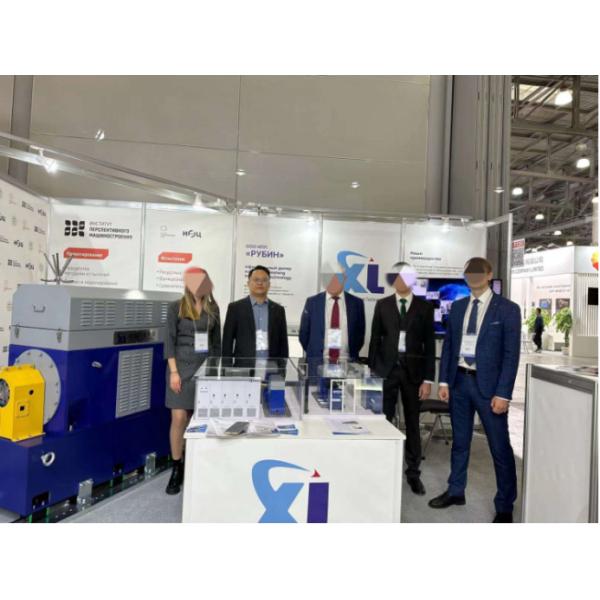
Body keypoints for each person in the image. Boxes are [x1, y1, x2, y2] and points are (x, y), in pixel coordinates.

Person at [428, 257, 521, 523]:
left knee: (499, 447)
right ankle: (456, 491)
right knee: (460, 442)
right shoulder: (458, 307)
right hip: (459, 383)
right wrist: (444, 382)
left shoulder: (507, 309)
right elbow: (449, 347)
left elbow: (511, 354)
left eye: (479, 271)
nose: (474, 275)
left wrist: (504, 394)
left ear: (489, 274)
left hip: (490, 389)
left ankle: (504, 505)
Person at [368, 262, 435, 496]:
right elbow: (375, 340)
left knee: (413, 423)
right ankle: (382, 466)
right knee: (383, 421)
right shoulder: (383, 305)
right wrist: (373, 372)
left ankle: (413, 473)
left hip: (413, 374)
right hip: (386, 372)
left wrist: (428, 379)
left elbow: (429, 345)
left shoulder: (425, 308)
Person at [164, 267, 221, 495]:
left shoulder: (213, 308)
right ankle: (176, 466)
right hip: (180, 367)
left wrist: (216, 372)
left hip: (205, 368)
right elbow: (169, 341)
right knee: (179, 417)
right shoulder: (176, 307)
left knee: (198, 419)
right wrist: (173, 372)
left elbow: (217, 343)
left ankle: (193, 462)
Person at [222, 265, 289, 365]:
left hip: (271, 368)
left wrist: (283, 369)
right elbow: (227, 343)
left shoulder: (278, 310)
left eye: (264, 280)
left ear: (269, 284)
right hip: (243, 368)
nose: (260, 283)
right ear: (248, 283)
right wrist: (226, 368)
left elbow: (283, 344)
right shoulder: (235, 308)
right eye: (256, 280)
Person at [299, 271, 366, 364]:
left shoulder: (357, 303)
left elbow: (359, 336)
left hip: (347, 364)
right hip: (317, 363)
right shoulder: (312, 302)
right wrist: (315, 353)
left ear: (344, 279)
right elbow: (304, 334)